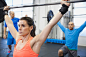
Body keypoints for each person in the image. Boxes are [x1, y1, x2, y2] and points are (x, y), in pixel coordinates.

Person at [3, 0, 70, 57]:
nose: (19, 28)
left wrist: (64, 8)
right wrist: (5, 12)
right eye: (19, 25)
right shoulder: (18, 38)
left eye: (23, 26)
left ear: (31, 27)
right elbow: (9, 24)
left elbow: (50, 25)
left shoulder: (35, 41)